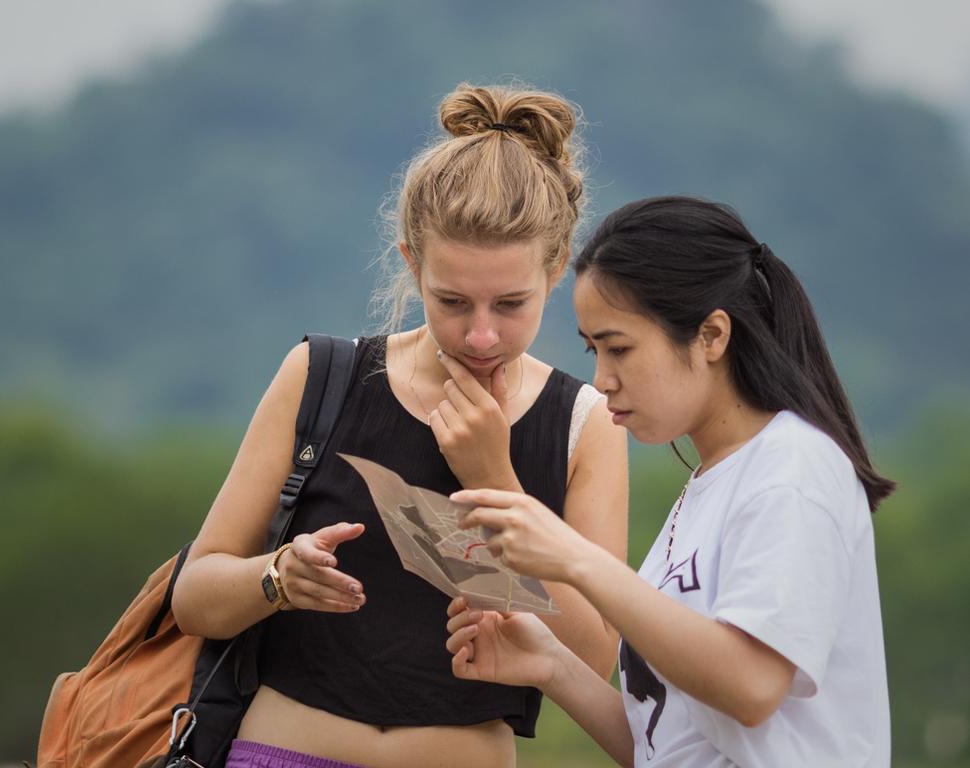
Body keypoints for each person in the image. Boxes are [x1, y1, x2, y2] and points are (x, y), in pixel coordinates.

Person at [171, 83, 629, 768]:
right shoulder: (321, 376)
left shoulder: (583, 424)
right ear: (412, 262)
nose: (480, 335)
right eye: (451, 300)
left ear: (557, 269)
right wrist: (276, 578)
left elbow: (594, 660)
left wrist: (494, 480)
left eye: (509, 304)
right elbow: (195, 599)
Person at [446, 196, 894, 767]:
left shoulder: (792, 469)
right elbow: (668, 748)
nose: (602, 379)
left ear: (711, 336)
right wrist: (552, 664)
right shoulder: (707, 485)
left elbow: (752, 686)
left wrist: (574, 558)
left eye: (619, 348)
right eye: (593, 350)